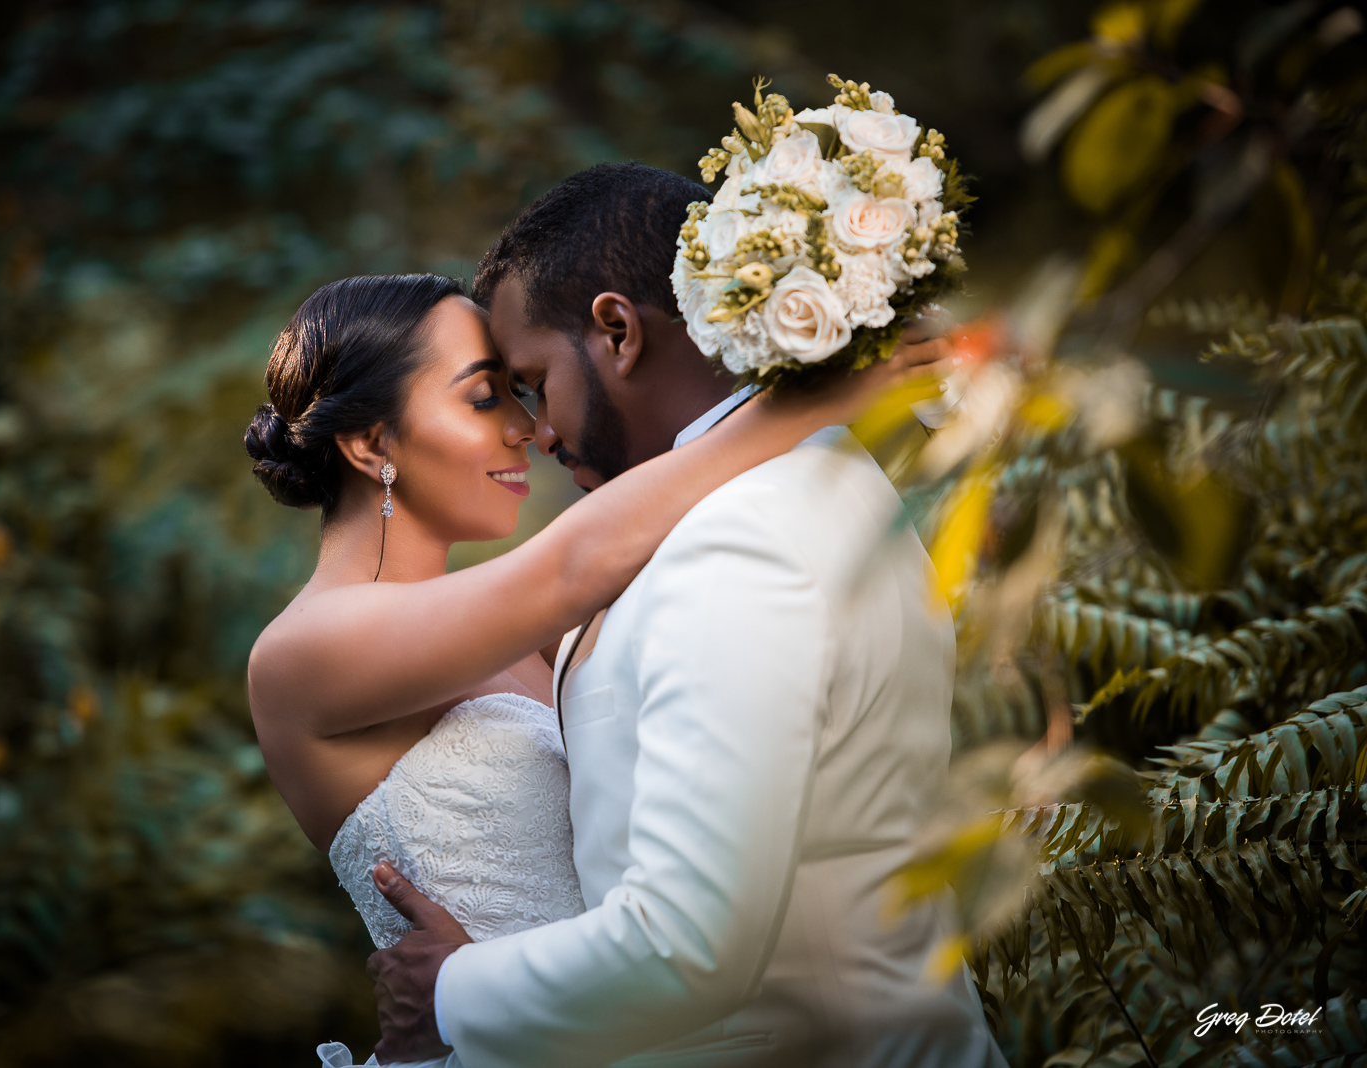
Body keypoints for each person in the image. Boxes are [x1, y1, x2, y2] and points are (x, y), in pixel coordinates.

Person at [360, 163, 1008, 1068]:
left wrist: (452, 989)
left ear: (618, 332)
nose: (537, 432)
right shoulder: (811, 476)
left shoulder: (741, 538)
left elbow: (686, 939)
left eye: (535, 382)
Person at [242, 263, 951, 1067]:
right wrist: (817, 396)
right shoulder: (301, 654)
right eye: (486, 396)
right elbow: (573, 563)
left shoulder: (527, 636)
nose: (527, 427)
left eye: (521, 390)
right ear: (372, 444)